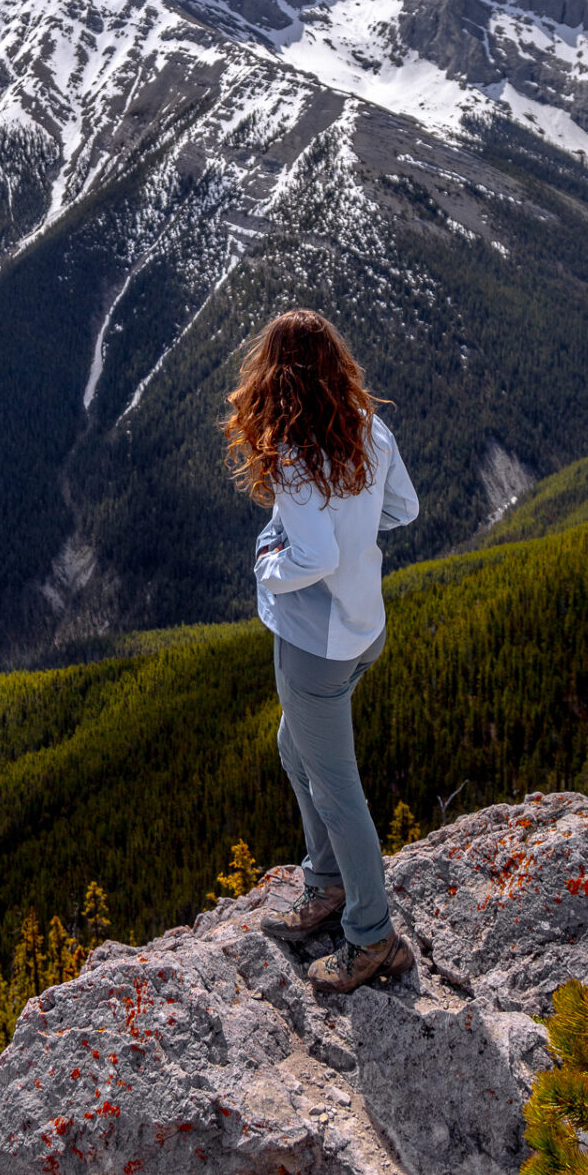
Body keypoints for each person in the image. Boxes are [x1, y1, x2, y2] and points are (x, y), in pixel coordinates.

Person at [224, 309, 419, 996]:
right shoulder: (369, 429)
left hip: (315, 647)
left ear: (273, 375)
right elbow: (404, 511)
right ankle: (327, 882)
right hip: (364, 629)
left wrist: (266, 562)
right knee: (292, 750)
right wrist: (357, 528)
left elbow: (312, 554)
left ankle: (371, 939)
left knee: (339, 790)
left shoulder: (298, 457)